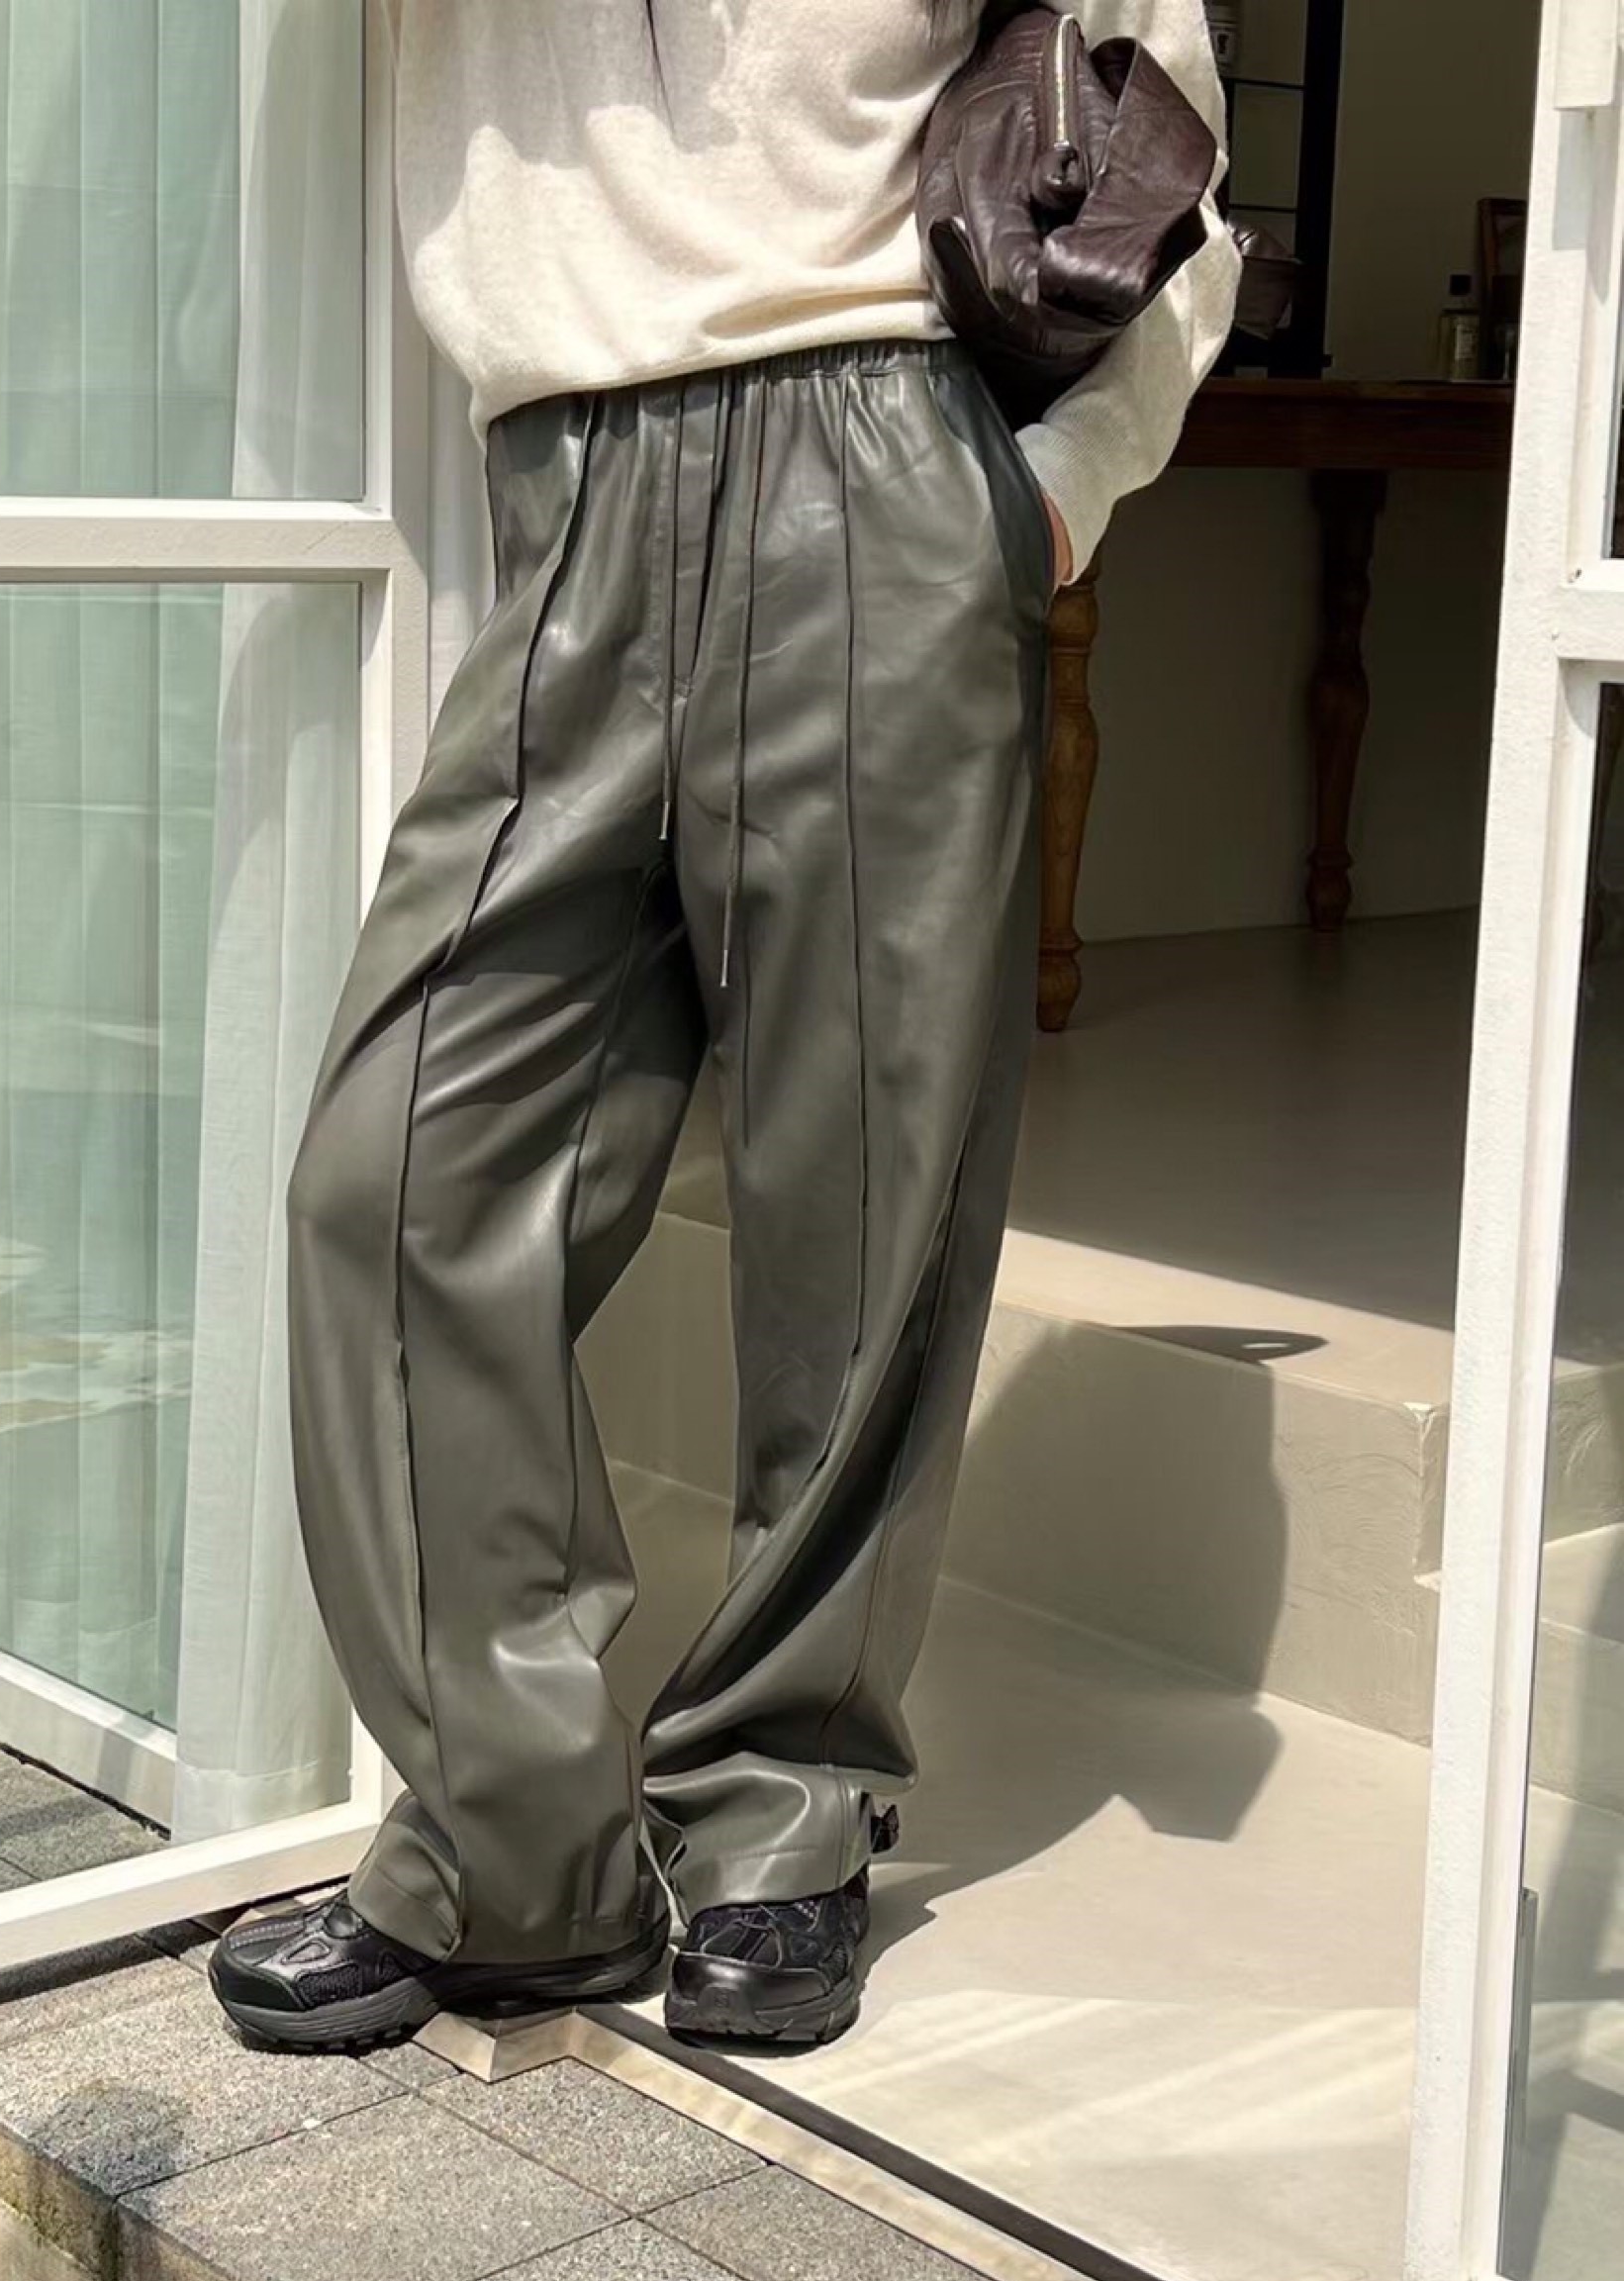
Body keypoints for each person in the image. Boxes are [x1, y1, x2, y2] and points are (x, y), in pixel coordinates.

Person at [210, 0, 1242, 2054]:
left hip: (881, 454)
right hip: (562, 489)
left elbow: (1160, 106)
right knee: (399, 1185)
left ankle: (782, 1813)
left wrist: (1051, 487)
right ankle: (513, 1846)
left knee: (861, 1202)